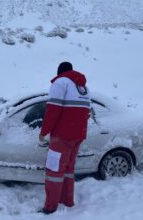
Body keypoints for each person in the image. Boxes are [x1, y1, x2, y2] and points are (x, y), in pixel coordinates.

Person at [38, 62, 90, 214]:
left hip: (62, 136)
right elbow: (85, 112)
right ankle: (67, 201)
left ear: (59, 72)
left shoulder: (60, 83)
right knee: (68, 168)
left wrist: (43, 132)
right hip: (78, 135)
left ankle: (50, 207)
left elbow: (52, 110)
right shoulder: (84, 88)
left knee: (54, 171)